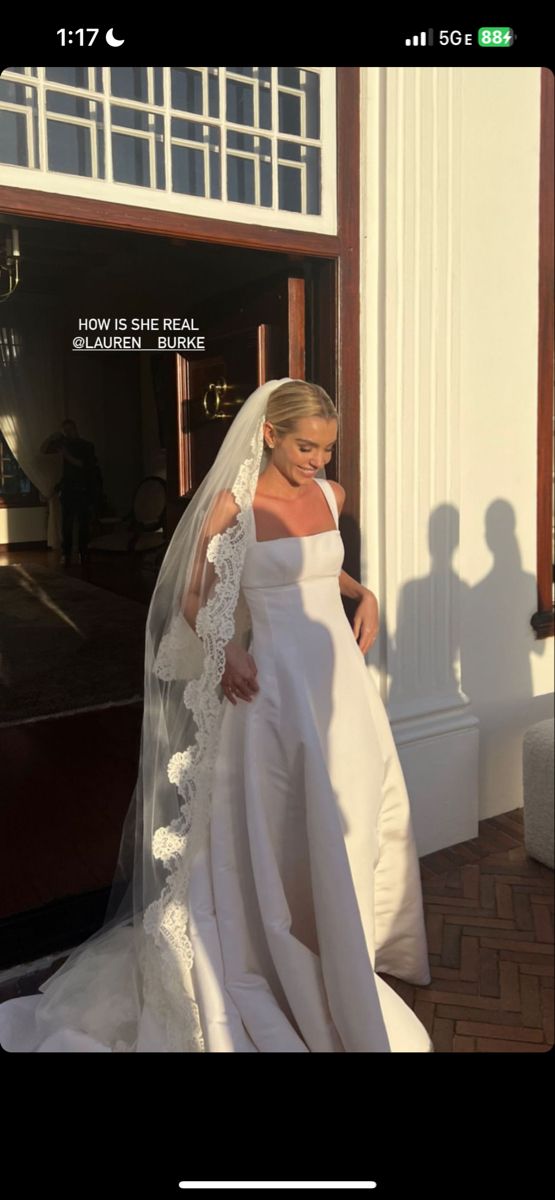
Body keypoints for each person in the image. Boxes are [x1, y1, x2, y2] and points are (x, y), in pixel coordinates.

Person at [0, 379, 433, 1052]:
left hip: (340, 687)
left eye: (325, 449)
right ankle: (271, 951)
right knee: (278, 818)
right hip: (271, 689)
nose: (316, 461)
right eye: (304, 446)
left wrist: (363, 591)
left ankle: (346, 946)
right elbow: (192, 595)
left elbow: (322, 566)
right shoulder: (234, 505)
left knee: (347, 806)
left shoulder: (330, 496)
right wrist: (223, 646)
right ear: (268, 434)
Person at [40, 419, 101, 565]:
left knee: (83, 524)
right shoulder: (64, 444)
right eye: (65, 431)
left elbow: (84, 465)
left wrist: (66, 455)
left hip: (83, 490)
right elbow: (43, 450)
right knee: (66, 524)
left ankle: (82, 552)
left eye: (70, 429)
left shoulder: (86, 446)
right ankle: (66, 554)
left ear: (75, 428)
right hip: (67, 490)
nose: (68, 433)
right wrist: (51, 438)